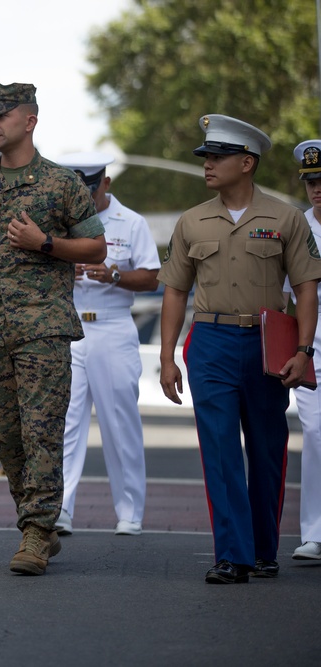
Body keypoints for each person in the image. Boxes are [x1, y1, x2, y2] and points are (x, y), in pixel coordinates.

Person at [0, 83, 106, 576]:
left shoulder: (62, 184)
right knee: (3, 433)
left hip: (44, 329)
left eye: (2, 116)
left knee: (41, 432)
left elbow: (96, 249)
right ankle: (37, 520)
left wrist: (45, 243)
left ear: (30, 120)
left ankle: (36, 531)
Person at [158, 115, 321, 584]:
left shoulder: (285, 218)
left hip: (267, 344)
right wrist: (168, 357)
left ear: (246, 163)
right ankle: (233, 553)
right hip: (210, 343)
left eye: (217, 157)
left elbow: (307, 287)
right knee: (220, 449)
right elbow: (174, 291)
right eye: (206, 157)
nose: (208, 165)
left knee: (268, 448)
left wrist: (305, 350)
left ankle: (264, 548)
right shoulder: (191, 221)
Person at [54, 152, 160, 537]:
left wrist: (113, 274)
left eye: (91, 189)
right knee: (65, 423)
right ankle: (61, 508)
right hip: (71, 326)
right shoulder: (62, 223)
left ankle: (130, 511)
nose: (84, 197)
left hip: (112, 328)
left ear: (106, 184)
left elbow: (151, 278)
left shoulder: (130, 222)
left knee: (120, 423)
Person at [286, 139, 321, 561]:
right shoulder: (296, 227)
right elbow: (281, 295)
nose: (317, 188)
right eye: (312, 181)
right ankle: (314, 530)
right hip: (313, 339)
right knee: (314, 434)